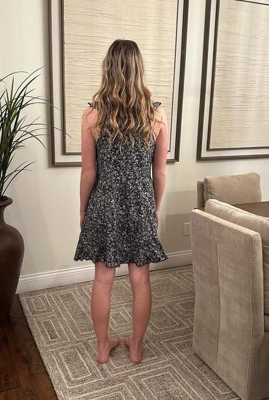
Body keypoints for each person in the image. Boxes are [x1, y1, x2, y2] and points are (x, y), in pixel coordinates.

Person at [74, 39, 168, 365]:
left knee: (103, 280)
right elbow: (159, 173)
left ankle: (103, 348)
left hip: (105, 204)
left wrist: (83, 208)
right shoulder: (156, 115)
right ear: (139, 69)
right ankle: (136, 348)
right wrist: (154, 207)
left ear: (108, 69)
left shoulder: (92, 116)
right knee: (141, 280)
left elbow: (88, 173)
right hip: (141, 204)